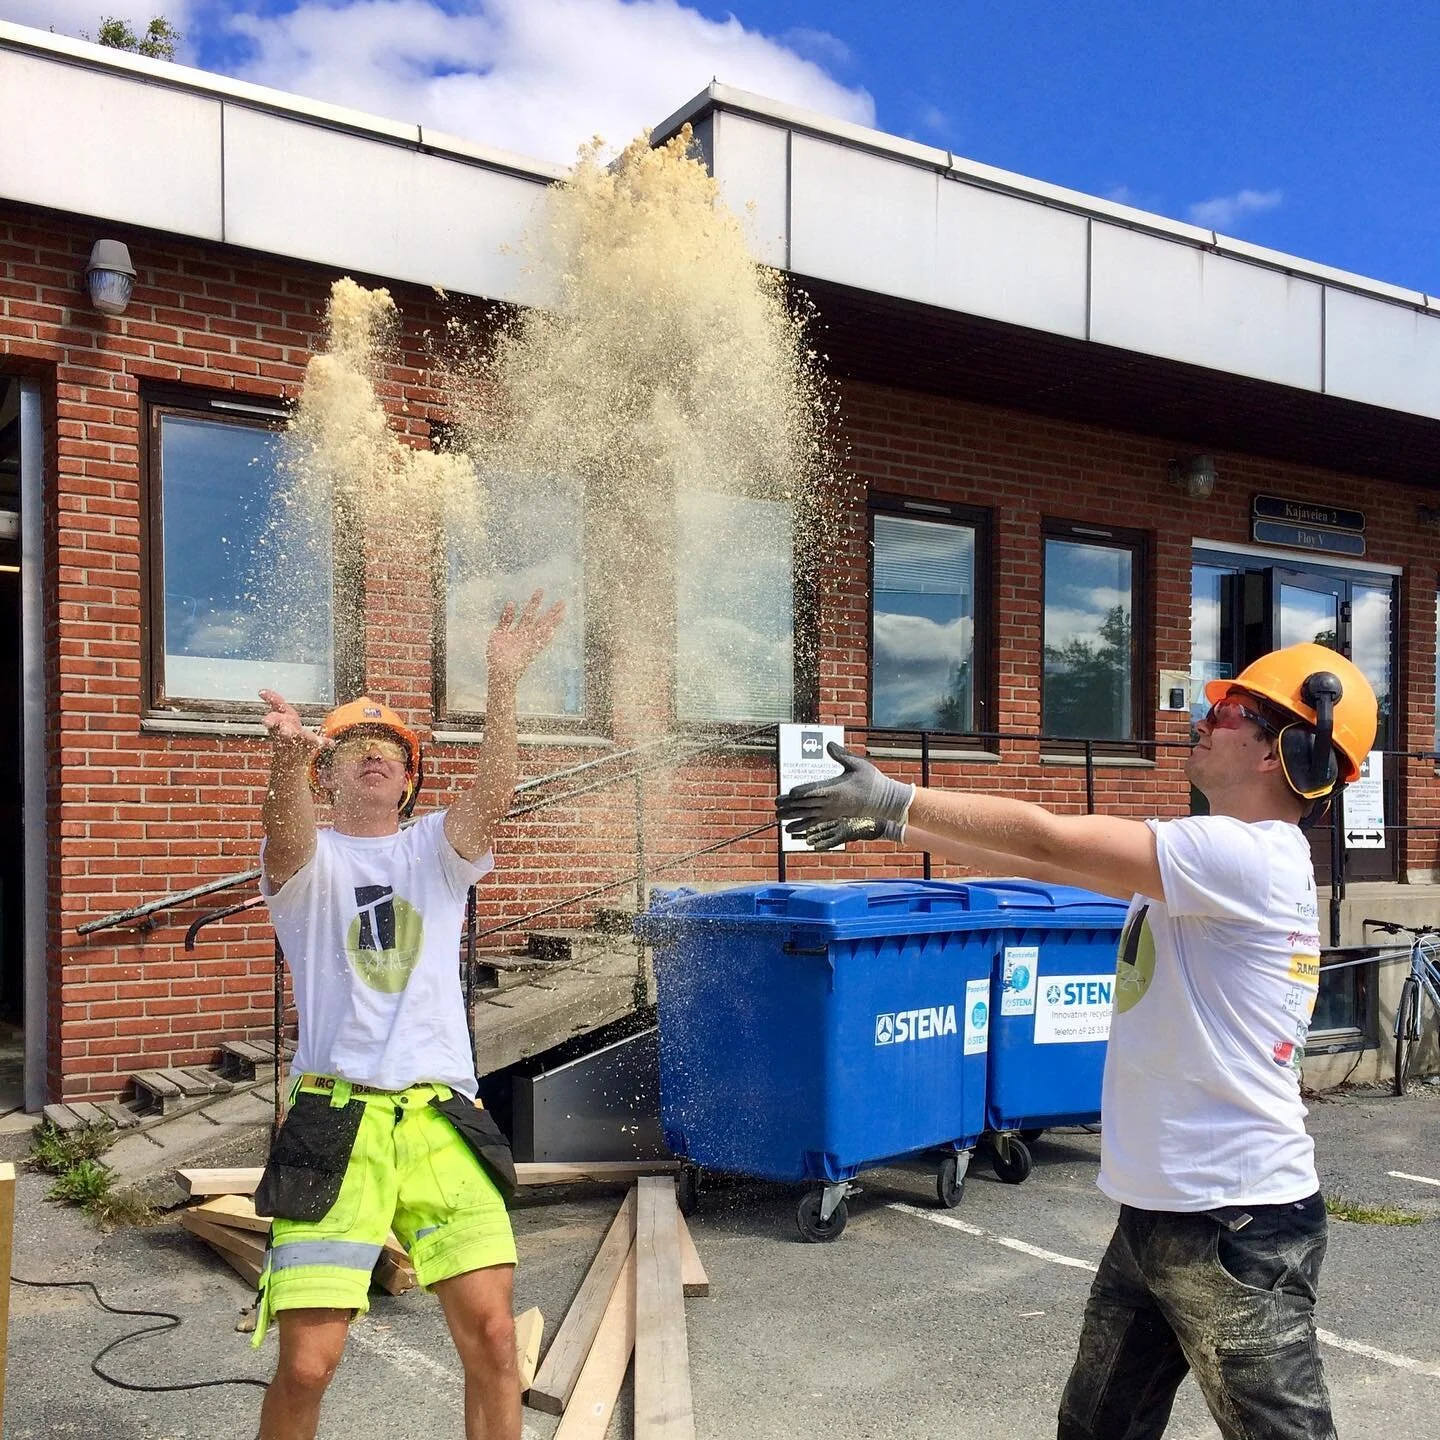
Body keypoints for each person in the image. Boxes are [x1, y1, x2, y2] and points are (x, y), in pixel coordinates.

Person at [777, 642, 1378, 1440]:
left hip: (1237, 1223)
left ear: (1285, 749)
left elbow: (1048, 836)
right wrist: (893, 827)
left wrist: (897, 800)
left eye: (1227, 710)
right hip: (1164, 1212)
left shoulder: (1247, 856)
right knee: (1097, 1427)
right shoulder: (1206, 864)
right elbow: (1041, 860)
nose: (1200, 718)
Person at [252, 590, 564, 1440]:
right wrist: (285, 761)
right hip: (332, 1117)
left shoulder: (436, 849)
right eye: (353, 744)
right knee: (308, 1365)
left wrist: (501, 684)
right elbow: (284, 840)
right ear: (328, 770)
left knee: (497, 1339)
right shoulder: (308, 863)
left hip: (438, 1117)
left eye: (390, 745)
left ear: (411, 772)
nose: (374, 754)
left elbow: (495, 793)